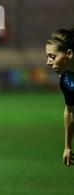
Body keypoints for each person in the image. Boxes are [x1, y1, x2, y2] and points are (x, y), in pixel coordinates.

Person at [46, 27, 74, 167]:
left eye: (52, 56)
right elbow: (70, 111)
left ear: (69, 54)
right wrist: (67, 146)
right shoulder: (66, 81)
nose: (48, 62)